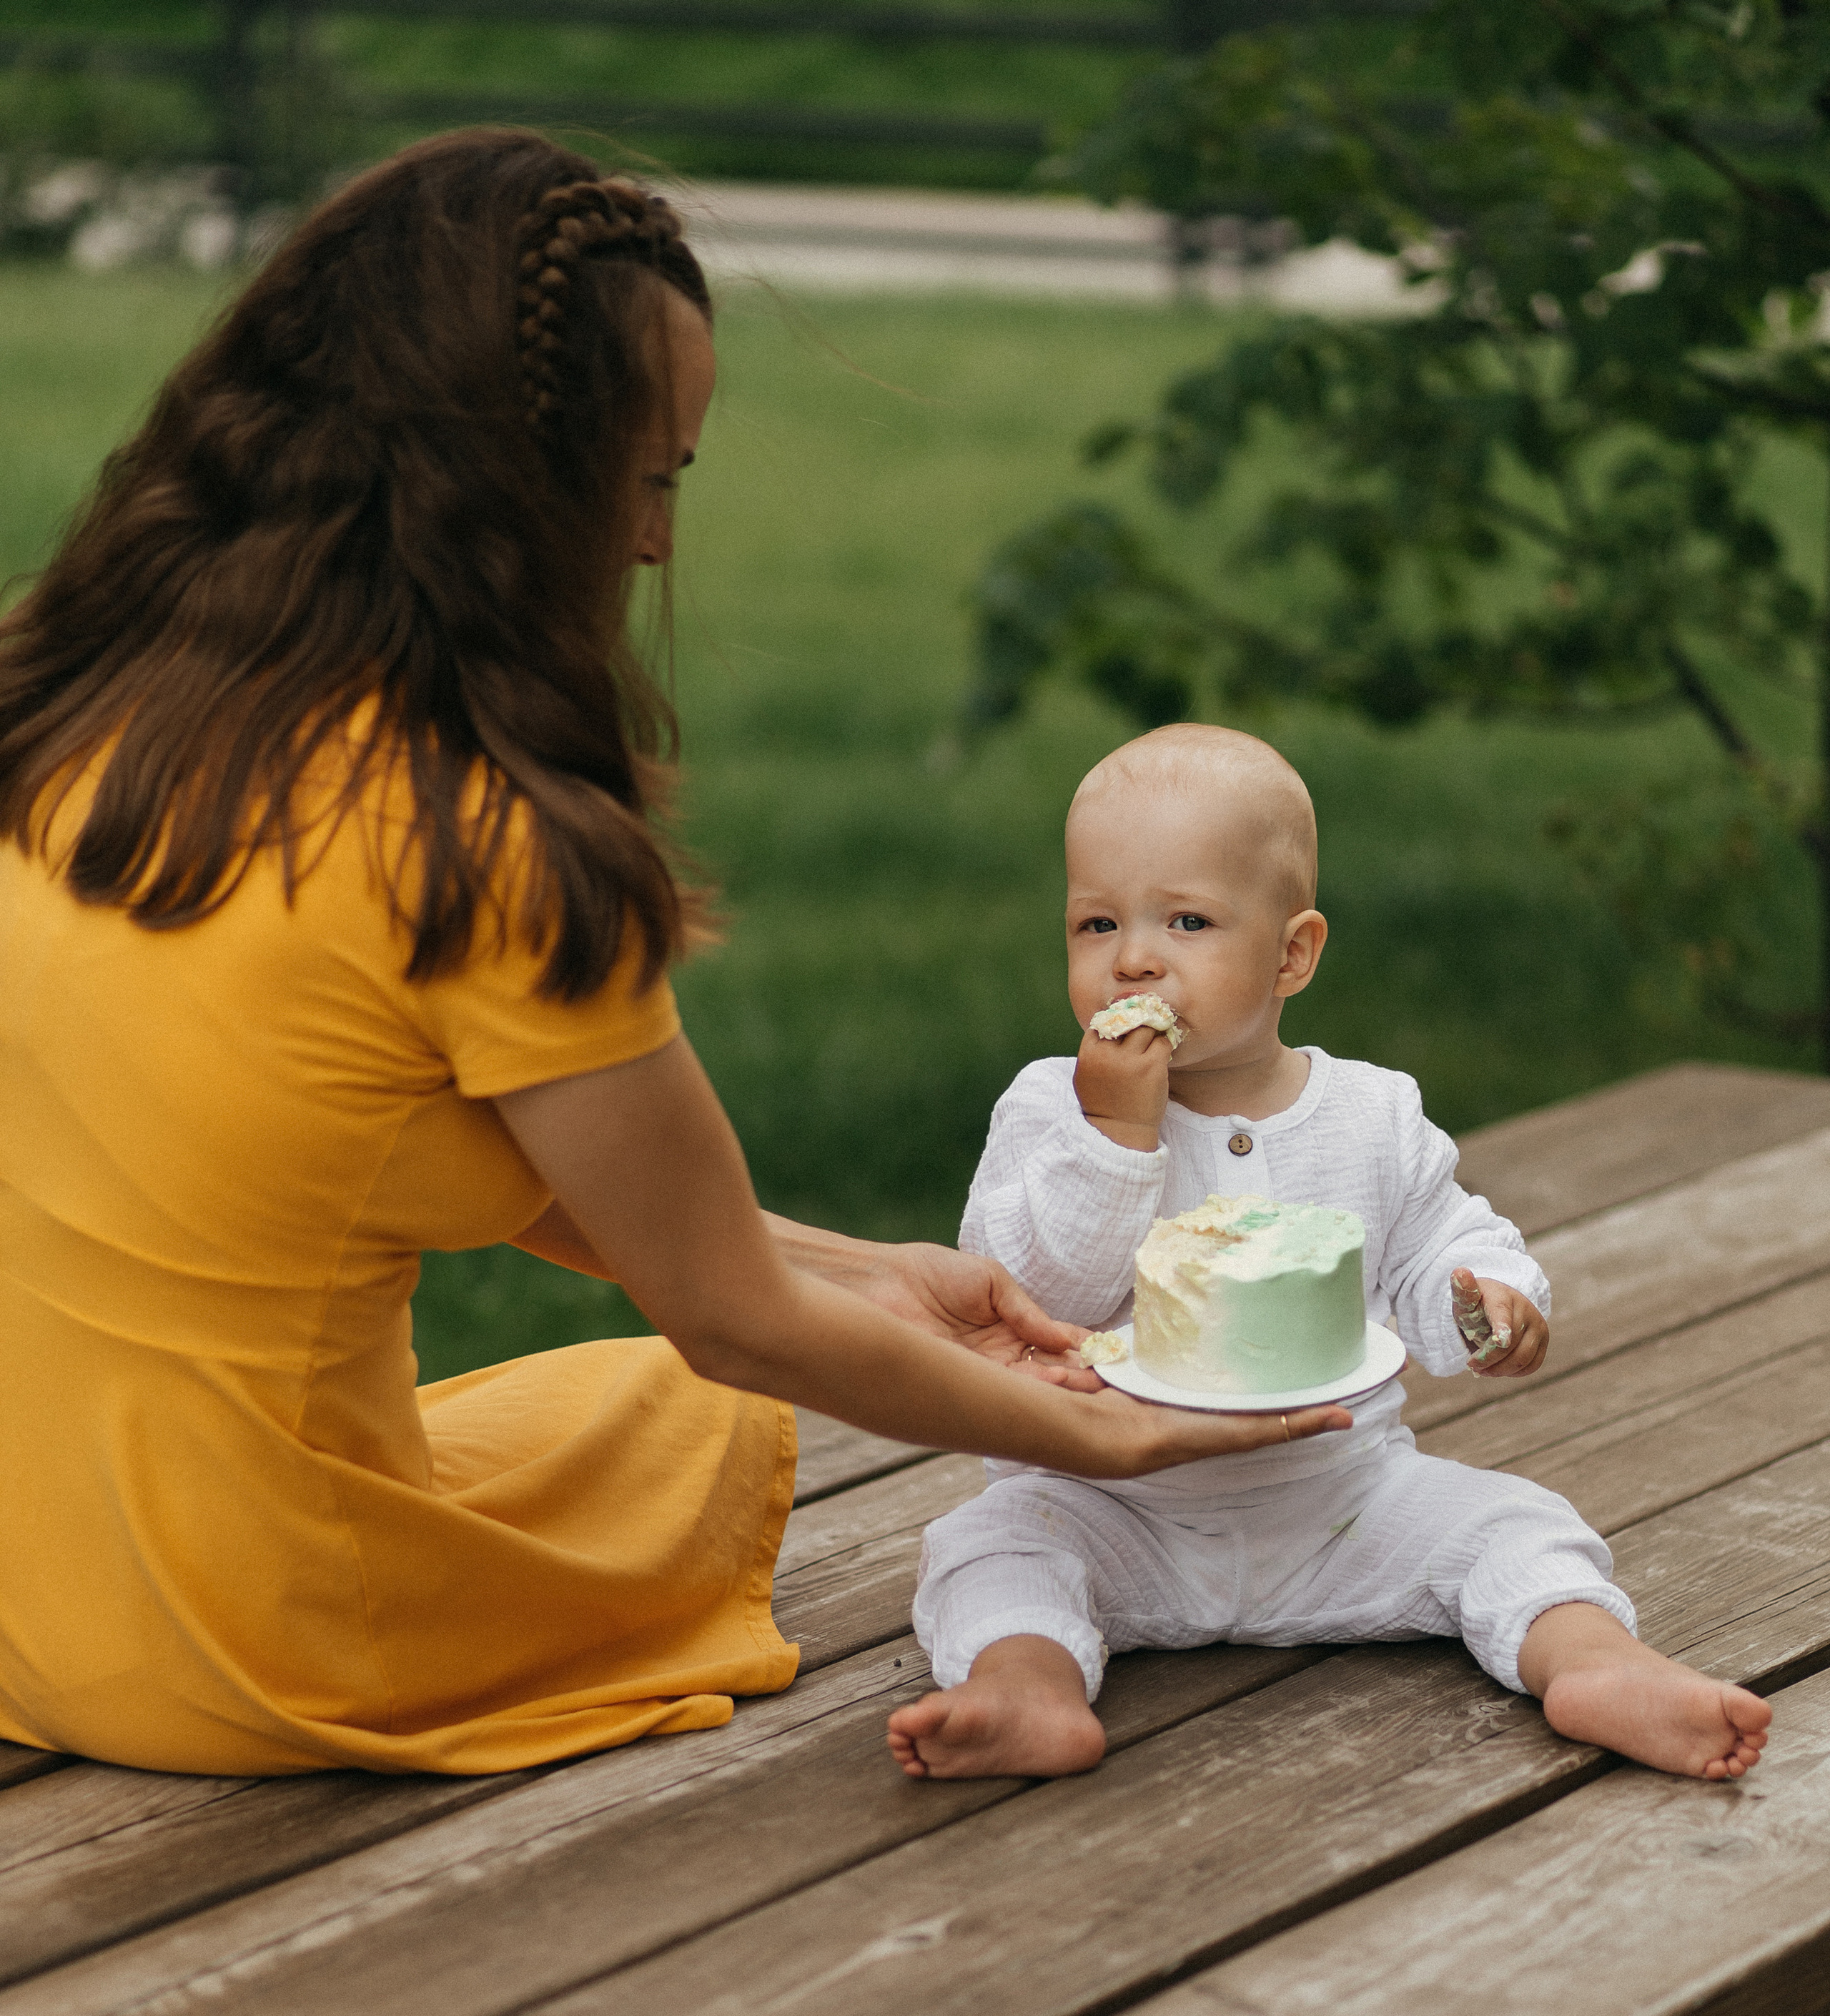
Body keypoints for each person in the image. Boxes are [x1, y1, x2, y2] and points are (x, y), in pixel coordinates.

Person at [0, 134, 1346, 1779]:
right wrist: (1102, 1432)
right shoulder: (467, 838)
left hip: (34, 1582)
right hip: (251, 1635)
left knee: (655, 1403)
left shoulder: (71, 719)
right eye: (652, 478)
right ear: (511, 486)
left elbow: (436, 1159)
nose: (650, 545)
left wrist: (865, 1273)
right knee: (705, 1415)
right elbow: (729, 1321)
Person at [890, 723, 1773, 1785]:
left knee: (1513, 1523)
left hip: (1338, 1503)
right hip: (1108, 1506)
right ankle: (1025, 1689)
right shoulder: (1049, 1110)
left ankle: (1597, 1667)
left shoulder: (1369, 1113)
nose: (1133, 956)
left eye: (1187, 920)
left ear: (1291, 953)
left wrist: (1487, 1302)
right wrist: (1114, 1138)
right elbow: (1024, 1297)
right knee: (989, 1545)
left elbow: (1441, 1242)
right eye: (1096, 922)